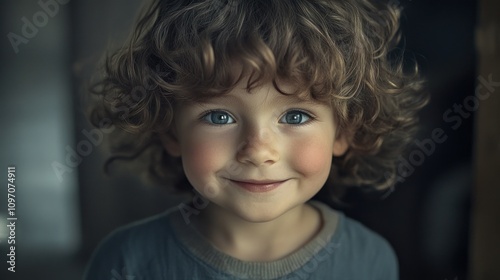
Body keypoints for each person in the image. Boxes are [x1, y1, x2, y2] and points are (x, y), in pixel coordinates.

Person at [84, 0, 427, 279]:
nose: (258, 151)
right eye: (219, 116)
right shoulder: (125, 262)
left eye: (295, 116)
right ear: (171, 132)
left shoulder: (369, 260)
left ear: (344, 132)